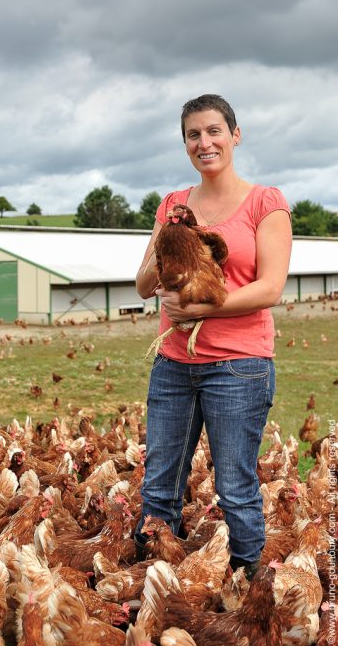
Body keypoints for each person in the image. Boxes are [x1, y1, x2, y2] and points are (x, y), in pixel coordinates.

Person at [134, 94, 292, 579]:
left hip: (238, 366)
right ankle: (155, 586)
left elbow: (270, 287)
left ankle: (248, 594)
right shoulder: (172, 205)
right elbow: (143, 283)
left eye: (214, 131)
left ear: (235, 135)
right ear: (185, 144)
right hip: (174, 364)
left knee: (236, 487)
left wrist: (204, 304)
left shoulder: (267, 202)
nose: (205, 143)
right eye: (193, 135)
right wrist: (168, 252)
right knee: (159, 483)